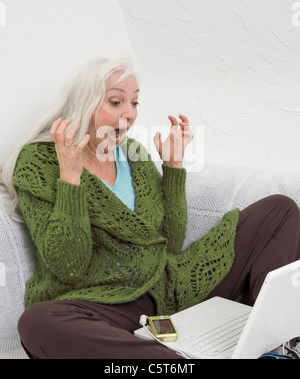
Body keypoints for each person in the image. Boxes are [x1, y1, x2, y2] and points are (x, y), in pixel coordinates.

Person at [1, 56, 300, 359]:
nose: (129, 114)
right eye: (116, 102)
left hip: (168, 285)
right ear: (85, 103)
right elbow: (69, 266)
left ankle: (277, 343)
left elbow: (167, 243)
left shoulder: (132, 153)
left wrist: (172, 167)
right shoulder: (39, 162)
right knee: (38, 323)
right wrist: (70, 177)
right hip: (104, 305)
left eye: (135, 103)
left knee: (279, 210)